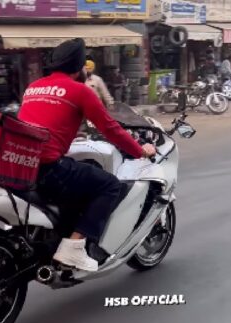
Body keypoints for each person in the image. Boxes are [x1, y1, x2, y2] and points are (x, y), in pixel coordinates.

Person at [17, 38, 156, 272]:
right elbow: (110, 128)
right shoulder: (80, 90)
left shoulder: (34, 86)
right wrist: (140, 150)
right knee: (109, 185)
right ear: (78, 67)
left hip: (20, 164)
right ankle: (74, 247)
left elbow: (45, 120)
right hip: (47, 169)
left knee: (79, 173)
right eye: (84, 65)